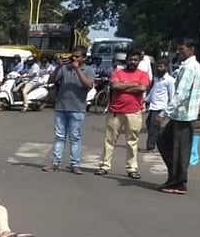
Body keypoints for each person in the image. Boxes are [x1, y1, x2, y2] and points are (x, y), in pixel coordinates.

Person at [157, 38, 200, 195]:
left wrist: (164, 113)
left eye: (182, 49)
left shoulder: (190, 68)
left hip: (183, 116)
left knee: (178, 149)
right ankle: (174, 178)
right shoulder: (194, 66)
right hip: (182, 115)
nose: (179, 52)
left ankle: (178, 182)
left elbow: (180, 94)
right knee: (166, 143)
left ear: (191, 49)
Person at [95, 49, 151, 179]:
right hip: (115, 111)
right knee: (109, 140)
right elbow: (115, 86)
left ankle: (131, 168)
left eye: (135, 60)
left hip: (134, 112)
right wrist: (133, 86)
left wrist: (124, 85)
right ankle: (104, 166)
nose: (132, 62)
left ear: (139, 61)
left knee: (132, 141)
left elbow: (142, 88)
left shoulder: (143, 74)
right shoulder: (117, 73)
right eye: (130, 59)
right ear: (126, 60)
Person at [43, 46, 96, 174]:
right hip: (61, 107)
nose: (74, 58)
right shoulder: (64, 69)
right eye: (73, 56)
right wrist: (58, 67)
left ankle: (74, 164)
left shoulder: (88, 70)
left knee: (75, 137)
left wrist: (77, 69)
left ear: (84, 58)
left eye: (78, 56)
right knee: (59, 137)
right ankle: (55, 163)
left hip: (78, 108)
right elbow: (51, 80)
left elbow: (88, 84)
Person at [144, 58, 175, 151]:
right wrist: (146, 100)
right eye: (158, 66)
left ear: (166, 67)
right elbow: (153, 91)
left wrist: (169, 110)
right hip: (153, 106)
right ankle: (160, 140)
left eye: (161, 67)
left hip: (161, 107)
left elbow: (172, 95)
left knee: (153, 126)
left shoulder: (170, 80)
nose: (158, 68)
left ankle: (150, 147)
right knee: (149, 123)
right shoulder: (156, 79)